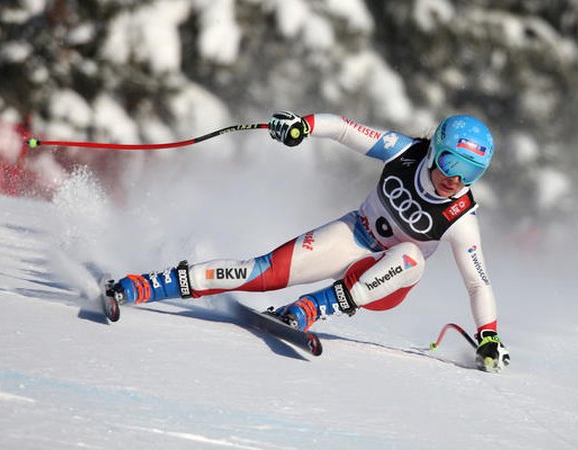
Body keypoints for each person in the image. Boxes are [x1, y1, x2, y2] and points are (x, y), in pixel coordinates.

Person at [107, 111, 511, 372]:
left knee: (410, 257)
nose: (455, 179)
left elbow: (478, 283)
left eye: (471, 172)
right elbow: (343, 129)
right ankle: (148, 285)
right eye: (451, 163)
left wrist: (489, 337)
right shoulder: (404, 151)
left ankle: (312, 308)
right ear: (435, 150)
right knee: (260, 272)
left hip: (386, 282)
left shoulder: (460, 217)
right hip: (355, 236)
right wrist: (303, 126)